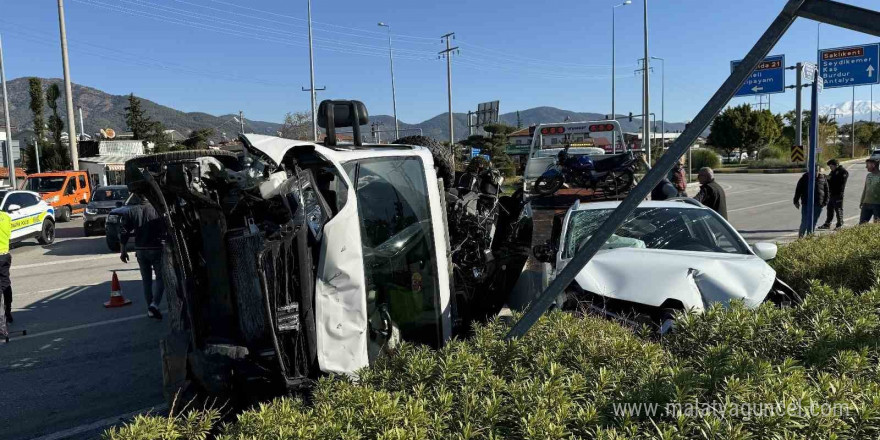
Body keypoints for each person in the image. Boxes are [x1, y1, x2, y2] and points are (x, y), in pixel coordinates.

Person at [119, 197, 166, 319]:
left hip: (140, 249)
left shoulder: (132, 211)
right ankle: (154, 305)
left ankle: (150, 308)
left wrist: (123, 250)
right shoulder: (158, 210)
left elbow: (124, 231)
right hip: (156, 248)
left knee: (146, 281)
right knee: (161, 278)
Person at [794, 166, 830, 237]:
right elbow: (798, 190)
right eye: (813, 170)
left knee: (813, 222)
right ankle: (800, 238)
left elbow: (827, 191)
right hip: (806, 203)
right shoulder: (805, 178)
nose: (815, 172)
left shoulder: (823, 178)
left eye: (817, 170)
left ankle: (809, 239)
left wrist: (825, 202)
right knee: (804, 222)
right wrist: (796, 201)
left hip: (818, 204)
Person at [819, 159, 849, 230]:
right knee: (829, 209)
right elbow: (829, 181)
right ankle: (827, 224)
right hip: (831, 194)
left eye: (831, 166)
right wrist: (825, 178)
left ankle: (839, 224)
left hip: (838, 194)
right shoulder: (833, 172)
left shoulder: (843, 172)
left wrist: (830, 178)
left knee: (838, 209)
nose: (830, 168)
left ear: (836, 165)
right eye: (829, 166)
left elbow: (840, 182)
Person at [859, 155, 880, 224]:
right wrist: (862, 201)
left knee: (877, 225)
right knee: (862, 224)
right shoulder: (868, 175)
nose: (866, 167)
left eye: (867, 165)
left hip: (877, 204)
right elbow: (865, 189)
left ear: (873, 165)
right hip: (866, 203)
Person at [0, 207, 10, 337]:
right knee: (6, 283)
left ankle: (2, 324)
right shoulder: (6, 217)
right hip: (5, 254)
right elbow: (9, 233)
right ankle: (9, 311)